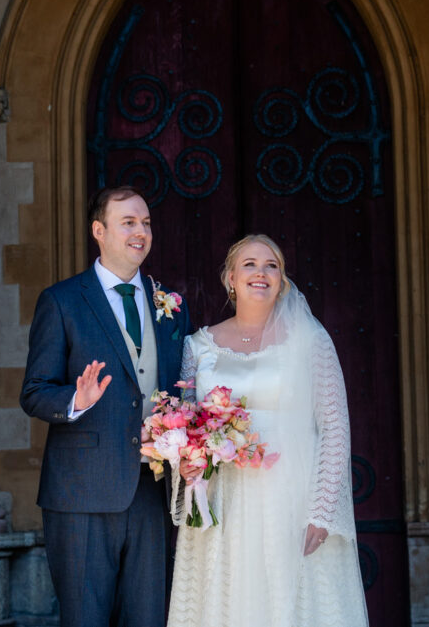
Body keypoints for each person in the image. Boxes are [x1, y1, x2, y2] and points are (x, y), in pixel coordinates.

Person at [167, 234, 368, 627]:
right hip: (224, 499)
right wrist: (185, 466)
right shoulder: (197, 347)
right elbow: (186, 424)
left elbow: (335, 428)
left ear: (282, 279)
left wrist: (322, 512)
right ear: (230, 278)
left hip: (291, 498)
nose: (261, 273)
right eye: (249, 264)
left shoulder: (311, 341)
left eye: (271, 265)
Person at [20, 186, 191, 627]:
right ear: (99, 231)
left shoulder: (170, 304)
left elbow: (181, 391)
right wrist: (77, 399)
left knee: (149, 618)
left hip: (151, 492)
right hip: (80, 493)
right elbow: (34, 391)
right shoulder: (61, 301)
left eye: (146, 223)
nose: (141, 232)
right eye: (128, 222)